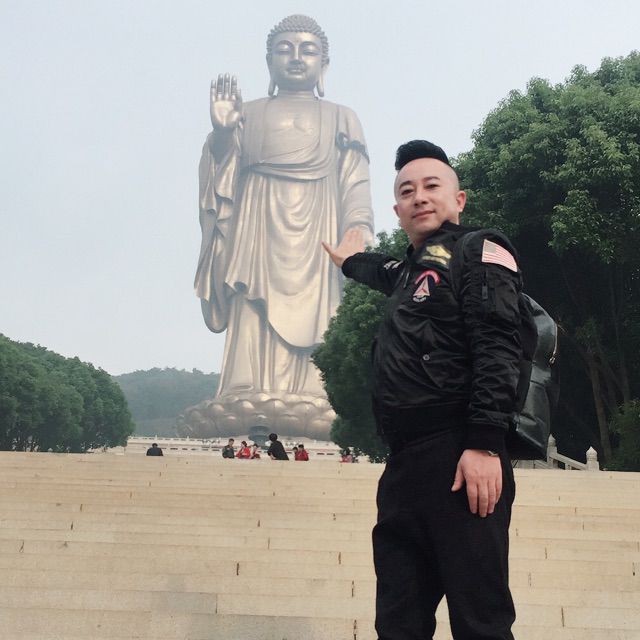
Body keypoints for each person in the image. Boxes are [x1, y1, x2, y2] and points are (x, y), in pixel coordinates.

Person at [323, 140, 520, 639]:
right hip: (404, 464)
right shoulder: (412, 271)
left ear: (459, 200)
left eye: (432, 186)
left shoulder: (478, 249)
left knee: (479, 620)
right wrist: (348, 262)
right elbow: (383, 269)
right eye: (407, 191)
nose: (420, 197)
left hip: (459, 450)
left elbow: (498, 344)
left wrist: (484, 442)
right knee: (398, 620)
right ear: (398, 210)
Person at [194, 14, 373, 412]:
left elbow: (355, 180)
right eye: (284, 49)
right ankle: (243, 388)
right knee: (249, 301)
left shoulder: (342, 116)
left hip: (320, 232)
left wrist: (358, 228)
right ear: (268, 62)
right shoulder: (248, 113)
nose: (295, 58)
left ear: (324, 63)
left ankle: (317, 395)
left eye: (308, 50)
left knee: (324, 315)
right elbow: (221, 180)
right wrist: (223, 133)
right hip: (256, 228)